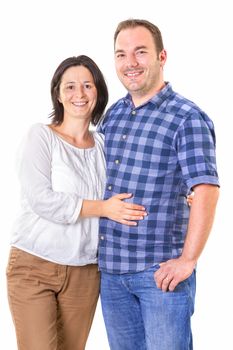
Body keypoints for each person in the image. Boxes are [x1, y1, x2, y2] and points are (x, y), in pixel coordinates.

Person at [6, 55, 147, 350]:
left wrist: (184, 191)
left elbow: (133, 182)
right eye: (70, 87)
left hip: (85, 272)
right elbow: (43, 200)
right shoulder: (40, 137)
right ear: (58, 93)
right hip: (34, 266)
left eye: (87, 85)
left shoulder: (104, 147)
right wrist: (103, 207)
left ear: (98, 92)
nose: (79, 94)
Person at [98, 19, 220, 350]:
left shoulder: (187, 117)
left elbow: (206, 189)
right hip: (110, 273)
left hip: (160, 274)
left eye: (140, 52)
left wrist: (188, 260)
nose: (130, 63)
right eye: (121, 54)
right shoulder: (113, 115)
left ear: (161, 57)